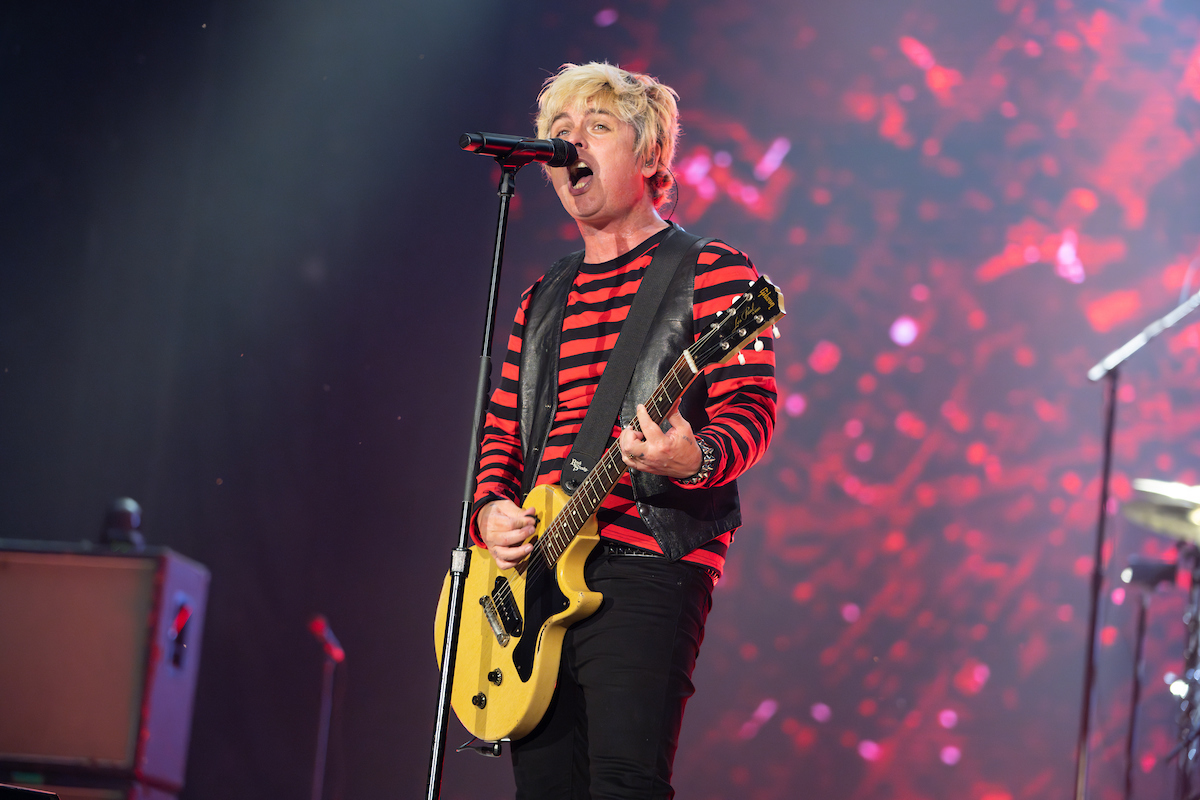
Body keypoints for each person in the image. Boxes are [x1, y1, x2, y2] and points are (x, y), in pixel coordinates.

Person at [471, 62, 777, 800]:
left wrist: (692, 456)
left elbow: (752, 408)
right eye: (560, 133)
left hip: (649, 558)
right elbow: (502, 436)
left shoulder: (713, 270)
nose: (571, 144)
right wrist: (489, 513)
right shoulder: (541, 298)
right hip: (534, 579)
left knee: (623, 785)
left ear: (649, 156)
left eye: (597, 127)